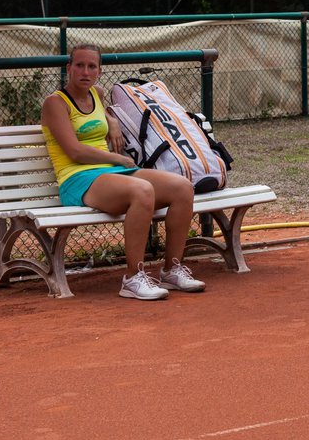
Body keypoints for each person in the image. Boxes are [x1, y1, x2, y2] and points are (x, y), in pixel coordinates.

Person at [41, 44, 202, 300]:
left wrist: (113, 122)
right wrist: (116, 157)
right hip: (77, 179)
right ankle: (132, 278)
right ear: (68, 68)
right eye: (79, 65)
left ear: (99, 71)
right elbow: (74, 151)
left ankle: (172, 270)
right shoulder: (55, 103)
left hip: (110, 173)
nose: (85, 71)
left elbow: (101, 116)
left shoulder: (97, 93)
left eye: (91, 66)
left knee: (182, 187)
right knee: (142, 190)